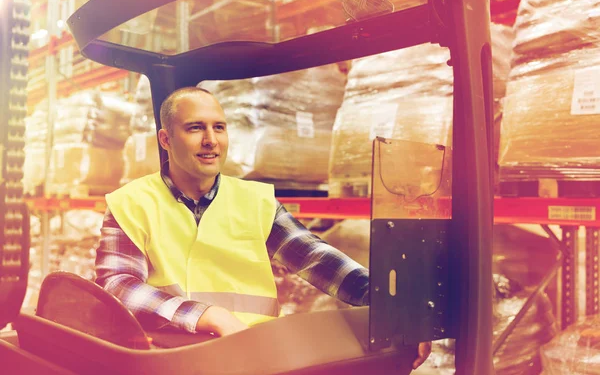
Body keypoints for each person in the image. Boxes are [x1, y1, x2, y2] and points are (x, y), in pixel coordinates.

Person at [96, 86, 431, 369]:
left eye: (220, 128)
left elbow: (316, 257)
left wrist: (393, 307)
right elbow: (117, 284)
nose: (211, 140)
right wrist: (208, 315)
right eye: (195, 128)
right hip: (169, 359)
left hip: (255, 359)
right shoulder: (130, 203)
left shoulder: (255, 200)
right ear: (166, 139)